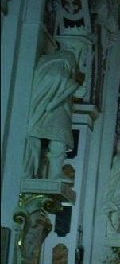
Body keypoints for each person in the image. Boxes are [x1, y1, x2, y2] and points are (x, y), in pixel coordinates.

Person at [24, 50, 85, 180]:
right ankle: (52, 173)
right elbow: (57, 81)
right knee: (58, 138)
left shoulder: (54, 67)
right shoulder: (59, 67)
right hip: (51, 110)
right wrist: (72, 86)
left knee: (59, 141)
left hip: (55, 109)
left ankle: (51, 173)